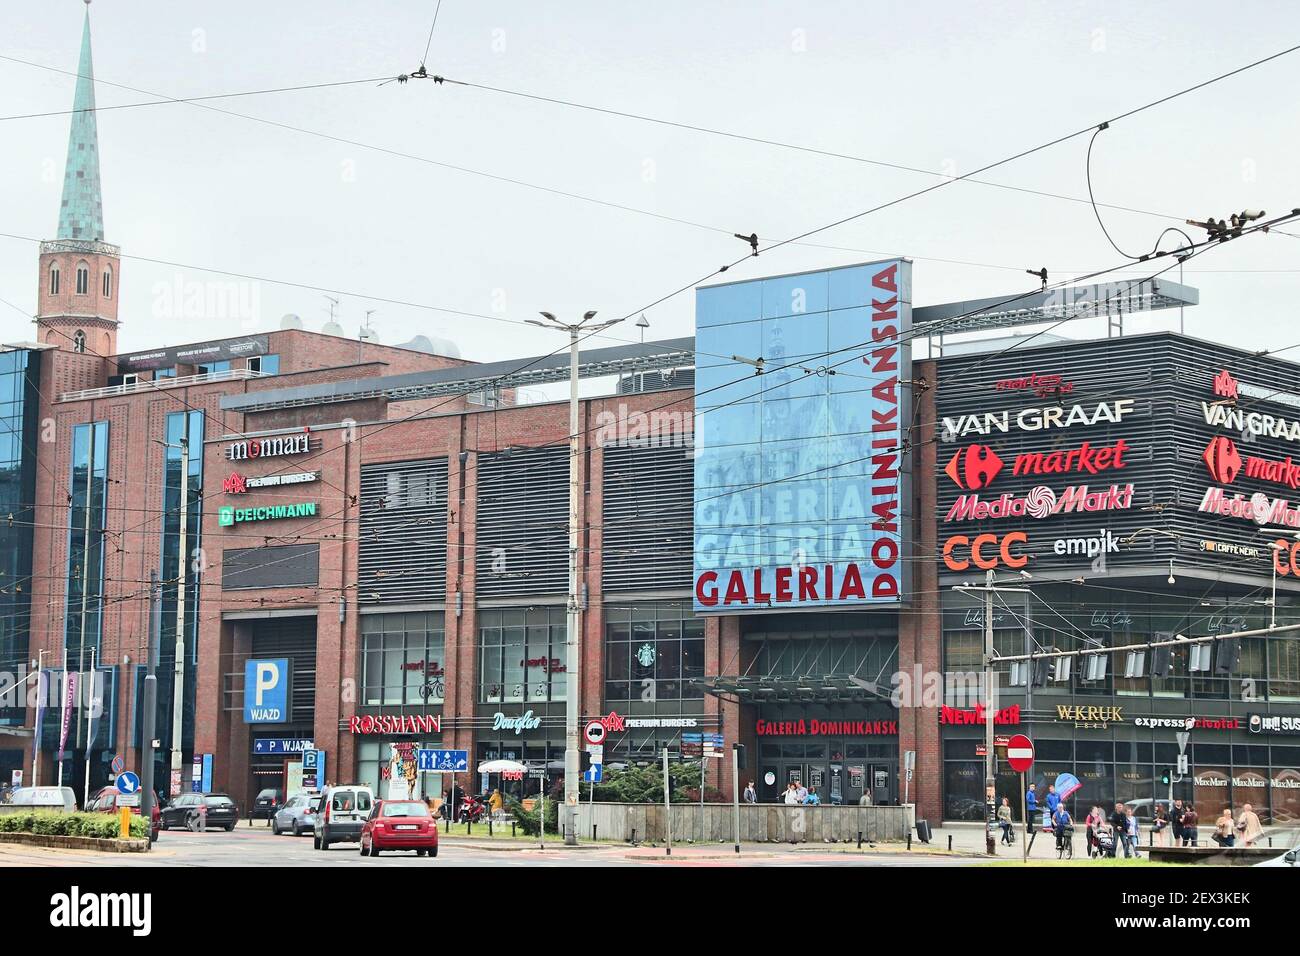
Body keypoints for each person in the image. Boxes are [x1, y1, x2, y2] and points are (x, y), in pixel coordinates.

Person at [1025, 783, 1039, 849]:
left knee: (1031, 819)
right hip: (1030, 808)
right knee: (1030, 819)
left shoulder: (1033, 793)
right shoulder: (1029, 793)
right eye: (1032, 786)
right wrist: (1034, 801)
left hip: (1033, 808)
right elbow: (1028, 800)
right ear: (1029, 787)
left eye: (1034, 786)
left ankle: (1030, 829)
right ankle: (1029, 830)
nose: (1033, 787)